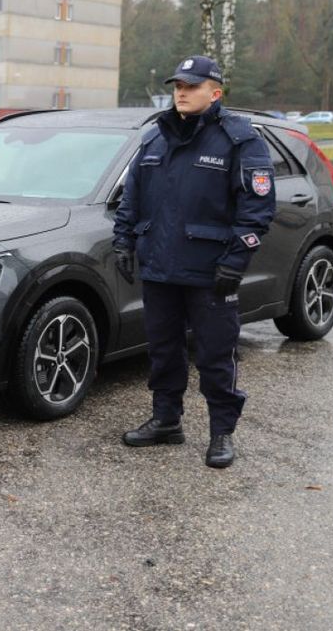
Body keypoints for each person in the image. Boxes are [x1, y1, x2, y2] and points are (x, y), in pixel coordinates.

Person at [112, 55, 276, 468]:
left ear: (215, 92)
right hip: (160, 267)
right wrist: (122, 243)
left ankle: (222, 432)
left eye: (191, 86)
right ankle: (167, 420)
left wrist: (235, 262)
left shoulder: (239, 140)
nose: (181, 92)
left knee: (215, 354)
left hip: (210, 271)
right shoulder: (155, 139)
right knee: (163, 351)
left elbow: (256, 209)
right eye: (177, 86)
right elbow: (132, 198)